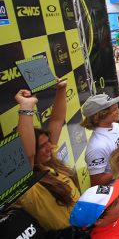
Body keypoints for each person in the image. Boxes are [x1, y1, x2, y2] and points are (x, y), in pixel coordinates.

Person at [14, 81, 81, 232]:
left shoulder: (49, 164)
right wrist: (26, 106)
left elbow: (57, 121)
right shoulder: (29, 188)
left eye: (48, 143)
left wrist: (62, 89)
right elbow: (27, 156)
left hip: (86, 227)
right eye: (43, 146)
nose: (50, 147)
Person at [81, 93, 119, 186]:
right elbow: (97, 182)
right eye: (114, 109)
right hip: (118, 193)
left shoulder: (116, 126)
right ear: (101, 115)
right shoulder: (97, 147)